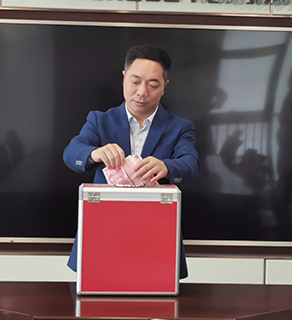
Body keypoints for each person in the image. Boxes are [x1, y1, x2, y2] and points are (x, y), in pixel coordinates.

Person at [63, 45, 200, 277]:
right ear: (124, 77)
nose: (142, 92)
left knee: (156, 294)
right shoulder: (99, 120)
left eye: (153, 85)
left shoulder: (180, 127)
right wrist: (95, 153)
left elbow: (191, 164)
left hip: (156, 234)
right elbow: (71, 153)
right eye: (135, 81)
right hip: (102, 231)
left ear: (164, 86)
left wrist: (167, 166)